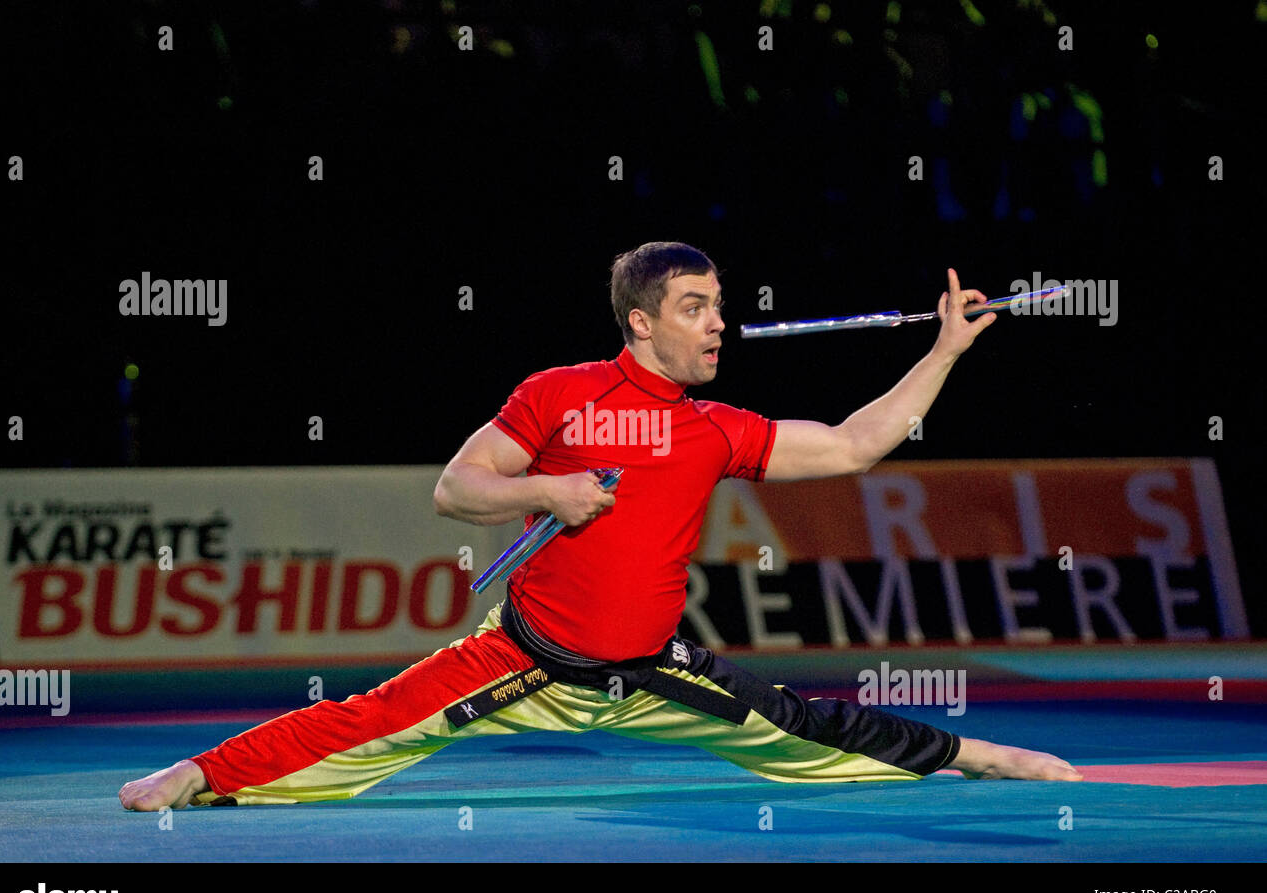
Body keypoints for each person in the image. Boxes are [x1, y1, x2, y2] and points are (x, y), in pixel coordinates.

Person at [120, 241, 1080, 811]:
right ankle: (200, 774)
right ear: (639, 321)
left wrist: (945, 348)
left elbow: (852, 445)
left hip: (651, 669)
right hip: (526, 659)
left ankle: (981, 756)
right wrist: (550, 493)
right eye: (694, 308)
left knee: (809, 725)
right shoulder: (560, 394)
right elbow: (457, 488)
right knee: (364, 723)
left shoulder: (716, 427)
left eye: (720, 308)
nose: (717, 326)